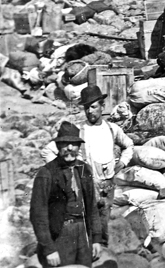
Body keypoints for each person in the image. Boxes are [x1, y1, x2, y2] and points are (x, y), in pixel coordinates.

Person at [41, 86, 133, 245]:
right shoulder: (79, 131)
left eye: (93, 106)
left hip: (108, 183)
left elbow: (129, 145)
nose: (90, 111)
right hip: (86, 183)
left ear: (103, 107)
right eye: (86, 107)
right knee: (85, 222)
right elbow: (47, 151)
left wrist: (123, 162)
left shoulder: (112, 129)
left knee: (104, 220)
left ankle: (102, 251)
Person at [31, 122, 103, 268]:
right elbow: (38, 215)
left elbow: (92, 206)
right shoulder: (46, 173)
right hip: (60, 234)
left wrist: (96, 238)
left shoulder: (84, 169)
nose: (70, 148)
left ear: (79, 146)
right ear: (58, 146)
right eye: (65, 144)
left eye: (74, 144)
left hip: (83, 233)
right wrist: (49, 249)